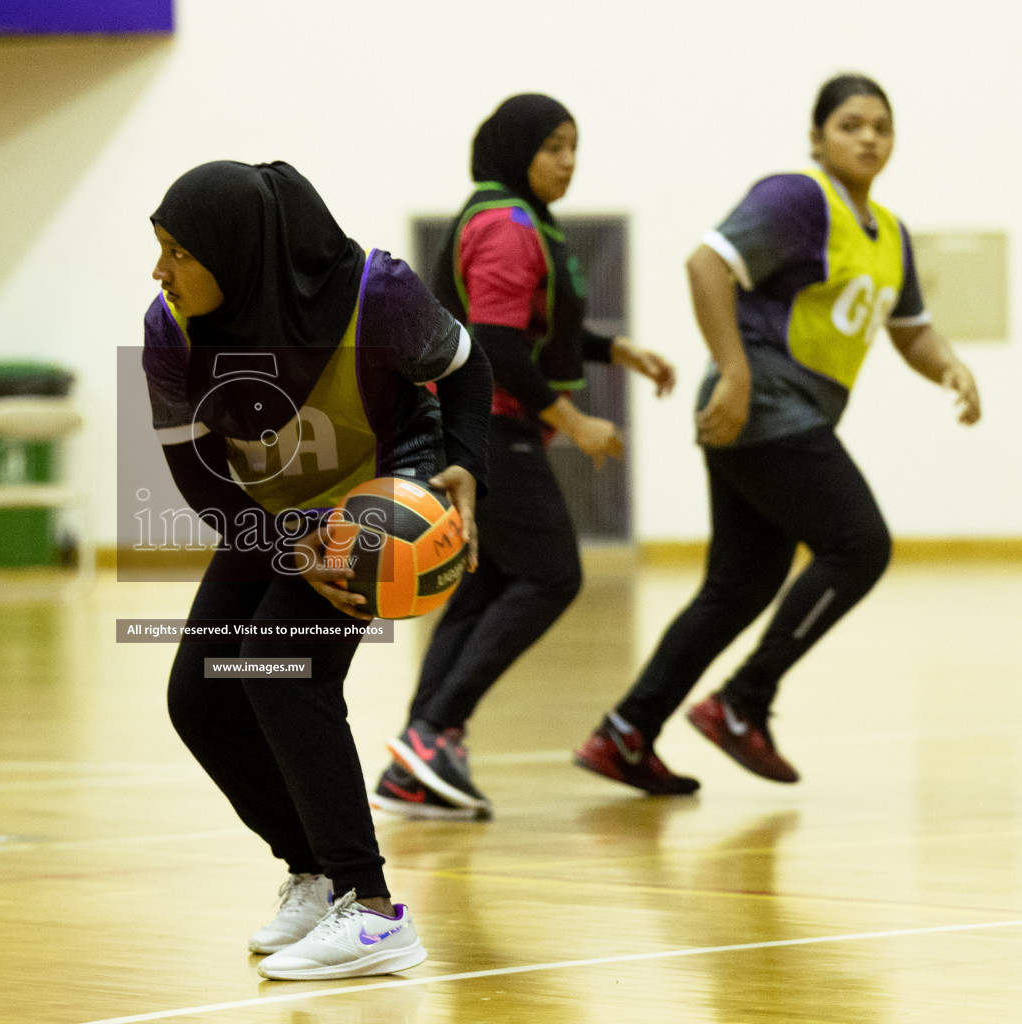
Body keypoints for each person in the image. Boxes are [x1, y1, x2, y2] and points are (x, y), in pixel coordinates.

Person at [575, 74, 982, 794]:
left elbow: (909, 330)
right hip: (761, 406)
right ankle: (742, 701)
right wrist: (733, 372)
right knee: (859, 545)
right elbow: (706, 264)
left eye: (879, 127)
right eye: (849, 124)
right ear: (816, 136)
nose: (866, 138)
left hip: (779, 416)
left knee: (738, 585)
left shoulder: (888, 235)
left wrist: (948, 365)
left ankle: (625, 733)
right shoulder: (797, 197)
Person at [144, 160, 491, 980]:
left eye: (177, 253)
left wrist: (469, 463)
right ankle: (316, 872)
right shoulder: (170, 329)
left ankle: (372, 913)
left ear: (237, 251)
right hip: (275, 513)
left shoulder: (377, 294)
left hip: (383, 498)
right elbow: (194, 474)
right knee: (196, 699)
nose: (159, 272)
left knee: (280, 672)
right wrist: (287, 540)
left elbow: (465, 366)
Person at [371, 94, 677, 820]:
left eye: (574, 147)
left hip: (475, 429)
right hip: (492, 430)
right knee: (549, 574)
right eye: (552, 148)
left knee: (484, 587)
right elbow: (498, 343)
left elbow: (530, 326)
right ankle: (433, 732)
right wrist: (572, 420)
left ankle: (418, 754)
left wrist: (612, 348)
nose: (567, 162)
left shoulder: (513, 217)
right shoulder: (506, 226)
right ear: (515, 151)